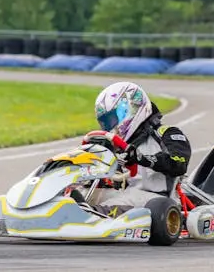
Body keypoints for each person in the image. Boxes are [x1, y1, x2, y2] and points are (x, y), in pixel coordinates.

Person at [78, 81, 192, 214]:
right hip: (124, 194)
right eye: (107, 122)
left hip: (157, 200)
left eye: (113, 119)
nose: (110, 126)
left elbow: (179, 163)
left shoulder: (167, 133)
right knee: (82, 194)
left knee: (115, 203)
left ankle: (91, 217)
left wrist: (141, 158)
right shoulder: (115, 143)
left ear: (131, 108)